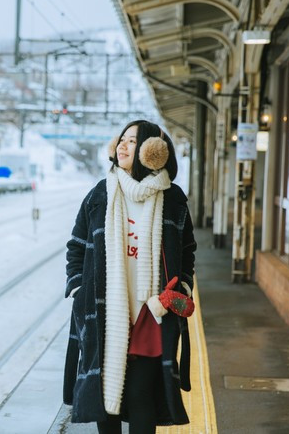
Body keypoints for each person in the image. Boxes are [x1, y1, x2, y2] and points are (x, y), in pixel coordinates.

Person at [62, 119, 197, 434]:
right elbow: (76, 247)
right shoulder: (101, 193)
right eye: (121, 139)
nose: (123, 145)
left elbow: (187, 249)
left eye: (133, 141)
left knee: (141, 398)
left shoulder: (172, 198)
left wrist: (184, 289)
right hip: (105, 313)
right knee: (105, 401)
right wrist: (80, 288)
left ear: (152, 150)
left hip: (153, 314)